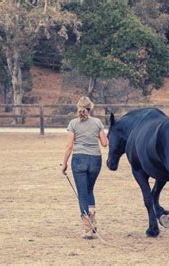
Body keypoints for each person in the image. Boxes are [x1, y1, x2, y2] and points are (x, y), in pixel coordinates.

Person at [61, 96, 108, 238]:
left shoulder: (73, 123)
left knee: (82, 193)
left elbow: (69, 146)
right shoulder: (98, 122)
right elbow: (105, 143)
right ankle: (92, 221)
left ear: (78, 107)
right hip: (95, 160)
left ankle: (88, 229)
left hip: (79, 159)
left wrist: (64, 164)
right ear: (90, 108)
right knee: (89, 190)